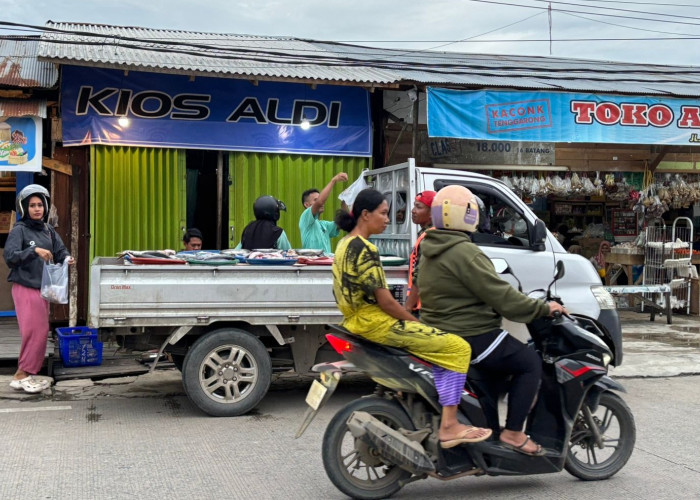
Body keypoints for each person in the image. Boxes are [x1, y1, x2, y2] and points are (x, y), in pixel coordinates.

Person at [332, 188, 492, 448]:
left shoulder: (343, 245)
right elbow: (385, 301)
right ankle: (450, 426)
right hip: (376, 324)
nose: (387, 219)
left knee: (438, 347)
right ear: (364, 215)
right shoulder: (365, 248)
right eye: (383, 214)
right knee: (458, 348)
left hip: (354, 321)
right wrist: (413, 321)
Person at [417, 185, 567, 457]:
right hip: (470, 332)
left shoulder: (431, 246)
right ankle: (513, 433)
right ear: (467, 215)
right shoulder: (465, 253)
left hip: (440, 330)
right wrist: (543, 309)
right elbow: (504, 298)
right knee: (529, 363)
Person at [4, 184, 74, 393]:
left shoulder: (48, 230)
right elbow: (10, 257)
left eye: (40, 205)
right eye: (32, 205)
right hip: (25, 287)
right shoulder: (19, 230)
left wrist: (67, 258)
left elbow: (60, 250)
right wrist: (33, 251)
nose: (37, 209)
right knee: (34, 332)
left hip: (42, 289)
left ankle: (25, 373)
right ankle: (22, 373)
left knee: (40, 332)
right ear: (24, 208)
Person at [404, 190, 436, 315]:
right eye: (414, 205)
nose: (413, 210)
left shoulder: (430, 236)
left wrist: (408, 306)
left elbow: (420, 273)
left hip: (423, 307)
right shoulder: (425, 233)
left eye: (419, 207)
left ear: (432, 213)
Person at [299, 173, 348, 253]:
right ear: (307, 205)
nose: (322, 202)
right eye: (315, 200)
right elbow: (320, 202)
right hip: (312, 264)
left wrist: (344, 202)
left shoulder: (324, 225)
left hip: (325, 265)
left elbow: (344, 222)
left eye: (319, 198)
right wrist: (333, 181)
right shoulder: (305, 218)